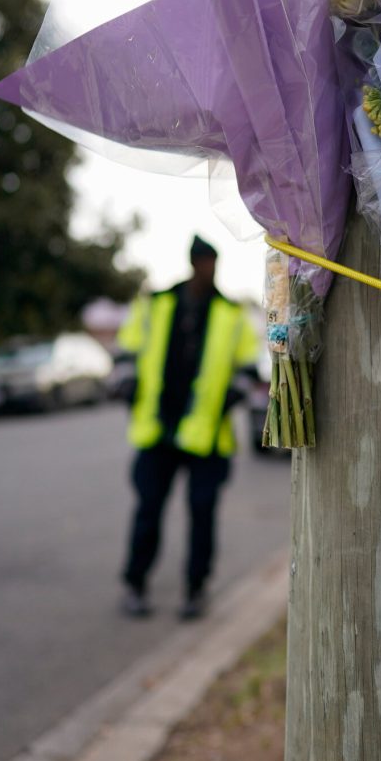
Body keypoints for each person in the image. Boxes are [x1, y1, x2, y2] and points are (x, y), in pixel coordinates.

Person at [114, 235, 261, 619]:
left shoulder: (231, 313)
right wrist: (127, 382)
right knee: (148, 510)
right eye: (203, 262)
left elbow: (248, 365)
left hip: (206, 435)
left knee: (202, 515)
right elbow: (127, 349)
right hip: (158, 431)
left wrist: (235, 392)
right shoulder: (156, 303)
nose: (208, 269)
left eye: (213, 263)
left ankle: (196, 589)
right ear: (193, 263)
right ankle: (135, 584)